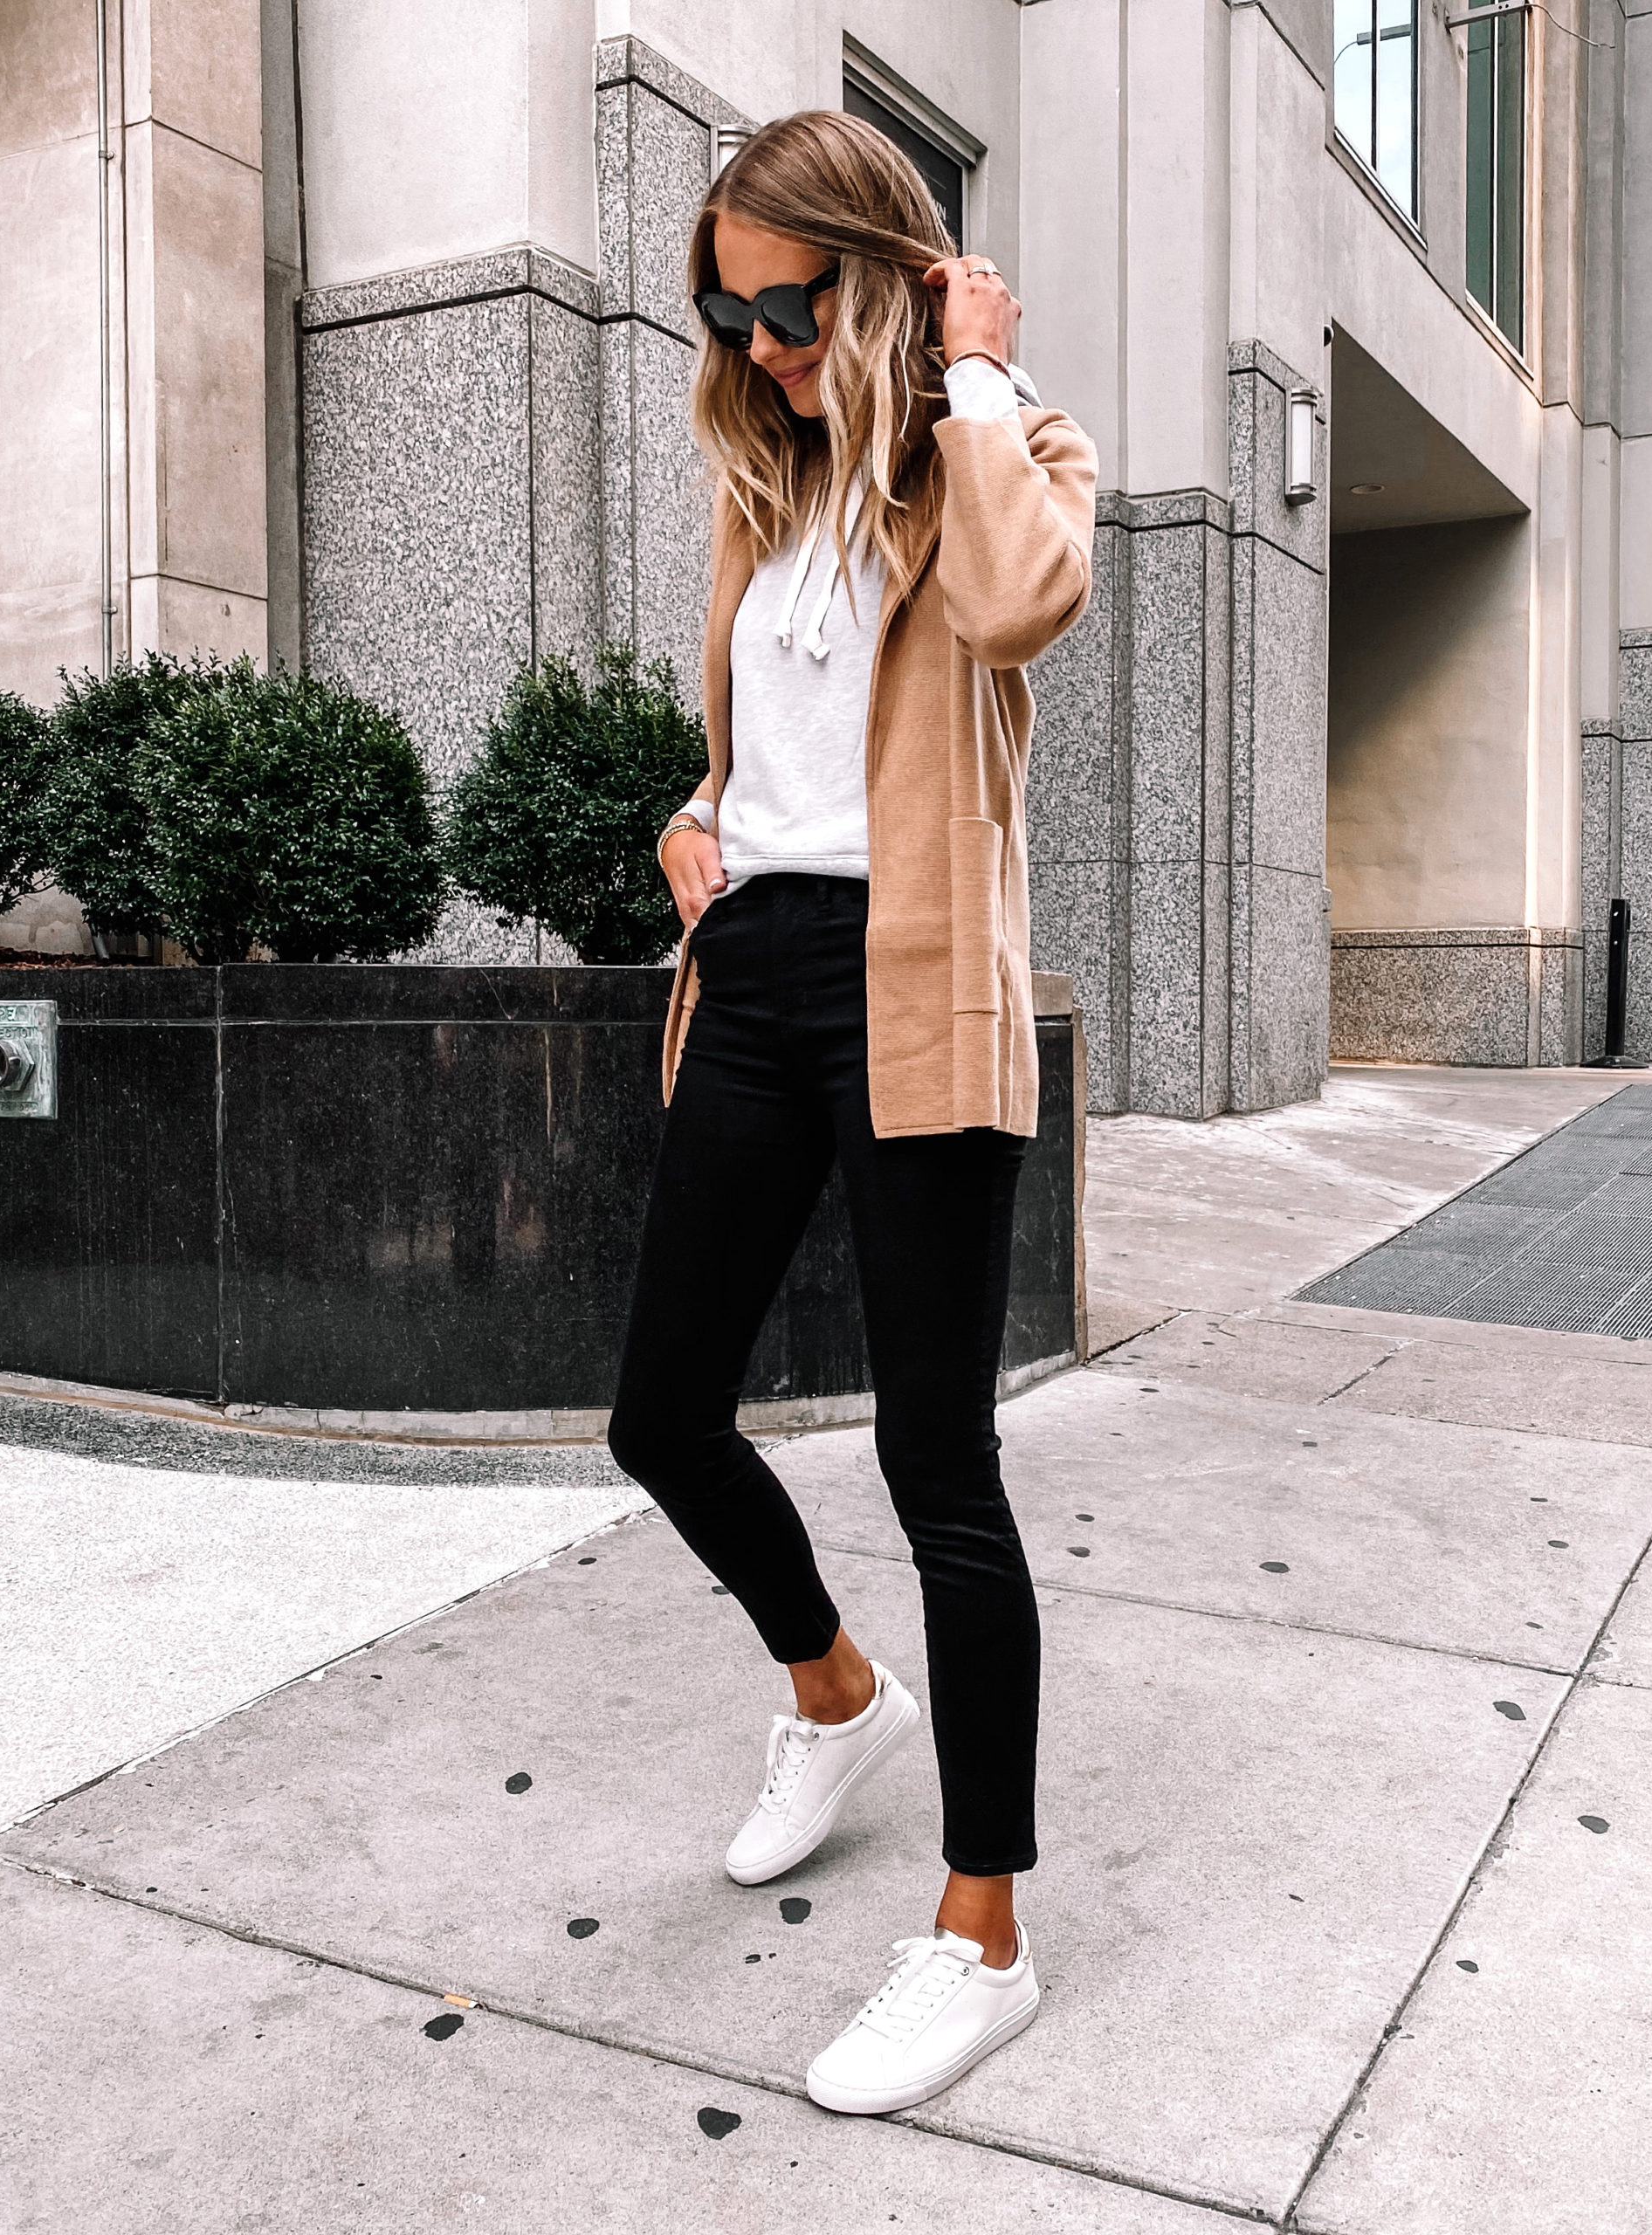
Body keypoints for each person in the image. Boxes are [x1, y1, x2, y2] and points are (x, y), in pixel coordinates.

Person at [606, 108, 1096, 2116]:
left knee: (936, 1460)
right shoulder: (764, 474)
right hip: (756, 981)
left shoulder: (1005, 450)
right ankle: (831, 1689)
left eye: (789, 304)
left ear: (881, 273)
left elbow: (1014, 612)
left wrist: (972, 365)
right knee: (660, 1410)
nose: (761, 343)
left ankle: (984, 1927)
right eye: (727, 312)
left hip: (913, 992)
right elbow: (760, 746)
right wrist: (692, 815)